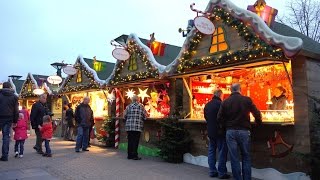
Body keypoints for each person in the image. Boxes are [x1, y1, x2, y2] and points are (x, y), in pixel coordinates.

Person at [217, 83, 262, 180]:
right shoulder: (247, 100)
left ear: (230, 90)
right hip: (244, 131)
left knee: (234, 158)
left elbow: (219, 118)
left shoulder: (225, 102)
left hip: (230, 132)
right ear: (240, 89)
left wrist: (226, 126)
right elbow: (257, 114)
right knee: (246, 156)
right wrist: (258, 123)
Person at [204, 89, 230, 179]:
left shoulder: (207, 105)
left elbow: (206, 118)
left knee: (211, 151)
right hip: (220, 132)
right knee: (222, 152)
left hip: (211, 131)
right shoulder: (221, 104)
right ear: (220, 95)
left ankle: (212, 171)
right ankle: (222, 173)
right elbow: (225, 118)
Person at [124, 95, 147, 160]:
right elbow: (145, 116)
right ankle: (134, 155)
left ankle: (129, 155)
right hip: (137, 127)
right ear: (138, 99)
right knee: (135, 141)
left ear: (132, 100)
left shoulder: (128, 106)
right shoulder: (141, 106)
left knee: (130, 140)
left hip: (129, 127)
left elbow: (124, 116)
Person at [0, 82, 19, 161]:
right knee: (6, 137)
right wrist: (15, 120)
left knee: (5, 137)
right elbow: (16, 110)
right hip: (8, 118)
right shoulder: (14, 97)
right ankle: (5, 155)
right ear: (10, 87)